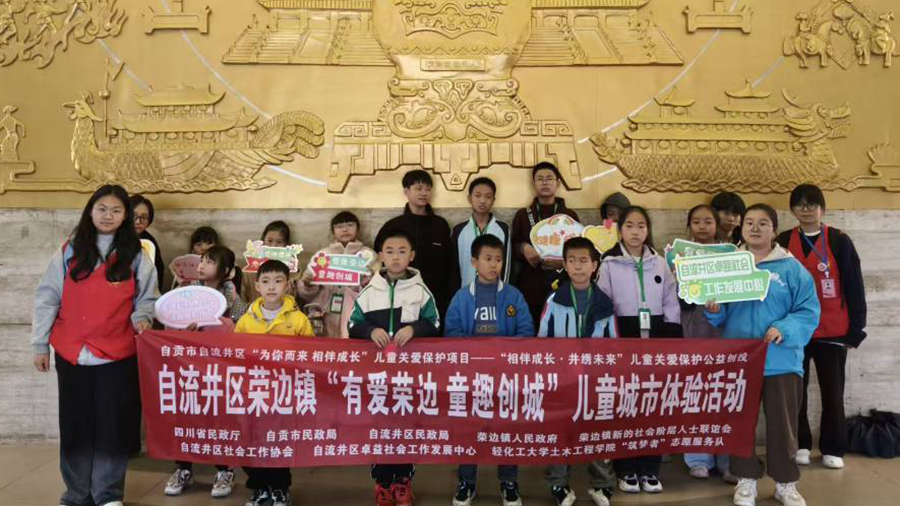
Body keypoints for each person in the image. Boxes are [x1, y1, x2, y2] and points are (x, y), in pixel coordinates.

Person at [31, 185, 158, 506]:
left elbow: (147, 298)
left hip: (118, 355)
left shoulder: (136, 255)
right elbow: (47, 297)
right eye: (102, 209)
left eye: (116, 210)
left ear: (125, 216)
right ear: (90, 211)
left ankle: (107, 495)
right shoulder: (69, 250)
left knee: (112, 429)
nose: (108, 216)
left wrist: (142, 319)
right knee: (75, 427)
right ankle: (76, 495)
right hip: (72, 353)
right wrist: (40, 344)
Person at [705, 204, 820, 506]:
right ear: (741, 228)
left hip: (781, 360)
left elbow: (808, 311)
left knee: (783, 427)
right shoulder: (729, 265)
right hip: (740, 359)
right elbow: (721, 315)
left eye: (763, 223)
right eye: (750, 223)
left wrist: (784, 327)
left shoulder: (792, 268)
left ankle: (785, 483)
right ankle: (745, 480)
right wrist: (714, 309)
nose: (755, 228)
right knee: (740, 424)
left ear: (774, 229)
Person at [776, 184, 867, 470]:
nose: (805, 209)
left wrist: (857, 327)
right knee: (796, 392)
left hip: (833, 329)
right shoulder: (782, 240)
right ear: (792, 210)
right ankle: (801, 444)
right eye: (799, 204)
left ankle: (833, 447)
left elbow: (854, 283)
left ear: (822, 209)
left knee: (833, 392)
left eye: (811, 204)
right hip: (794, 329)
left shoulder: (839, 240)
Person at [348, 228, 441, 506]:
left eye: (402, 251)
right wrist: (370, 331)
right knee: (379, 427)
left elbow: (435, 323)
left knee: (405, 427)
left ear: (411, 256)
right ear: (381, 256)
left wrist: (414, 329)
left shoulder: (421, 291)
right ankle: (382, 484)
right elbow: (353, 325)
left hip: (408, 377)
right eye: (390, 252)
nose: (396, 257)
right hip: (377, 378)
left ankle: (403, 482)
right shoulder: (369, 292)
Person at [598, 206, 681, 494]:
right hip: (623, 339)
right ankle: (625, 468)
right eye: (630, 226)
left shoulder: (660, 263)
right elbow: (603, 304)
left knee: (652, 405)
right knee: (624, 404)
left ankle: (650, 468)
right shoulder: (608, 263)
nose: (636, 231)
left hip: (655, 339)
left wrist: (670, 336)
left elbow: (670, 301)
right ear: (619, 230)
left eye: (641, 226)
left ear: (648, 230)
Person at [445, 234, 533, 506]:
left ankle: (509, 482)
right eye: (487, 258)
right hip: (471, 378)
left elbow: (526, 331)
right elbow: (451, 332)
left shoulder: (513, 296)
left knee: (506, 428)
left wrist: (503, 353)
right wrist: (477, 353)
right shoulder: (462, 297)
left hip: (505, 378)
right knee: (468, 429)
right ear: (474, 262)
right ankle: (466, 482)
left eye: (498, 259)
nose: (494, 264)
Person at [538, 237, 617, 506]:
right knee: (560, 432)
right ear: (565, 264)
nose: (578, 266)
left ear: (595, 265)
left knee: (597, 432)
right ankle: (558, 484)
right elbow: (542, 341)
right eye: (572, 261)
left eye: (584, 261)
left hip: (595, 381)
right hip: (562, 380)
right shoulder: (554, 300)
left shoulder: (605, 303)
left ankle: (602, 485)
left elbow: (614, 345)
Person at [163, 245, 246, 498]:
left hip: (218, 369)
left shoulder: (233, 299)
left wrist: (216, 325)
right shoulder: (186, 291)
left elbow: (240, 330)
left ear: (227, 271)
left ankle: (224, 470)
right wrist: (182, 329)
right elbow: (169, 322)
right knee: (186, 415)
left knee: (220, 417)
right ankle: (183, 468)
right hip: (188, 368)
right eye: (202, 260)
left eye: (210, 262)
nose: (202, 265)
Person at [235, 259, 315, 506]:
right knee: (252, 441)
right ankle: (259, 488)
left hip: (284, 393)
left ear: (287, 286)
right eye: (266, 281)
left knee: (279, 441)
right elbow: (233, 354)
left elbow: (312, 354)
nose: (272, 287)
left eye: (278, 281)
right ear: (257, 286)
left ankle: (280, 489)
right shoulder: (246, 320)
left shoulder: (299, 320)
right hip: (253, 392)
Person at [679, 205, 738, 483]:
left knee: (725, 396)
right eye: (696, 222)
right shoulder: (678, 256)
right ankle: (698, 458)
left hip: (725, 333)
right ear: (689, 226)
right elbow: (674, 298)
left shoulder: (731, 256)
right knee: (695, 394)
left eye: (708, 221)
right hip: (693, 332)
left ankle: (727, 460)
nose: (702, 227)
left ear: (717, 224)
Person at [375, 169, 454, 325]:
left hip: (435, 297)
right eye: (419, 188)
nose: (424, 193)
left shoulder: (440, 225)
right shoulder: (393, 226)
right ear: (406, 191)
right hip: (400, 297)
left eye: (428, 189)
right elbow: (379, 261)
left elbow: (450, 264)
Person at [511, 162, 580, 328]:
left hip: (563, 285)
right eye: (540, 179)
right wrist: (523, 248)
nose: (545, 182)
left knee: (561, 331)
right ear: (533, 183)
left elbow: (579, 249)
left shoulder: (569, 216)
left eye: (549, 178)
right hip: (531, 287)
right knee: (532, 332)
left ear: (558, 183)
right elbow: (512, 246)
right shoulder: (523, 215)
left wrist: (564, 262)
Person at [297, 211, 379, 337]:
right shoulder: (323, 255)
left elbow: (378, 285)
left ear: (358, 229)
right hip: (324, 312)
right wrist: (308, 284)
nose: (345, 230)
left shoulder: (368, 255)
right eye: (339, 226)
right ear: (333, 231)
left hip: (355, 310)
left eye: (350, 225)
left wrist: (366, 280)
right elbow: (306, 291)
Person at [451, 177, 512, 289]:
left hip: (495, 293)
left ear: (493, 200)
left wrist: (503, 292)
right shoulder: (459, 230)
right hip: (466, 293)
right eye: (477, 196)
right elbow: (454, 268)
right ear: (469, 198)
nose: (483, 201)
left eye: (488, 196)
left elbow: (507, 265)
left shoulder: (503, 228)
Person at [241, 220, 296, 302]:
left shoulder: (293, 267)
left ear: (286, 244)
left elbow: (293, 294)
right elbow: (243, 294)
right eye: (269, 241)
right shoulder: (251, 268)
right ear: (263, 240)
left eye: (279, 242)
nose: (273, 246)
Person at [129, 194, 165, 290]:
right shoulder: (111, 237)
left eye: (144, 217)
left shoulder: (149, 242)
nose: (138, 221)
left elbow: (158, 273)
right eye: (134, 215)